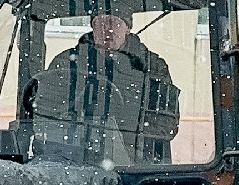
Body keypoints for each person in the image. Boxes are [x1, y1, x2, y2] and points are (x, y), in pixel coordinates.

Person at [22, 12, 182, 165]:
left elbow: (166, 126)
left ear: (128, 28)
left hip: (134, 170)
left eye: (115, 22)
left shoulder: (152, 67)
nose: (108, 29)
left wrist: (122, 129)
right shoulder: (67, 62)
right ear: (92, 26)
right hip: (72, 164)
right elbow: (44, 114)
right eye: (100, 22)